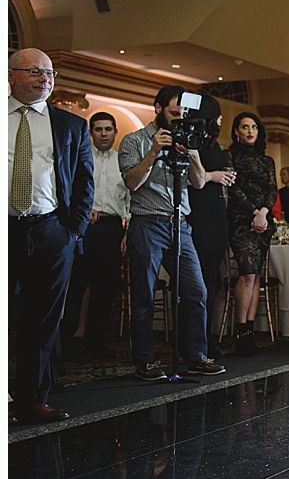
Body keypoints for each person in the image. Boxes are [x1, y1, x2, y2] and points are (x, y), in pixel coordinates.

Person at [9, 49, 94, 423]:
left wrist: (72, 231)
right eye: (35, 71)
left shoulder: (71, 125)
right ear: (11, 75)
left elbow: (83, 183)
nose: (45, 78)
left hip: (50, 231)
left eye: (50, 73)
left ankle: (32, 399)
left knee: (42, 321)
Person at [119, 85, 225, 380]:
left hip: (180, 223)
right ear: (158, 108)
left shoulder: (185, 139)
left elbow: (200, 182)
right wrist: (154, 150)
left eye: (183, 114)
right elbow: (132, 183)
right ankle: (145, 361)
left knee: (196, 291)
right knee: (144, 295)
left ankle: (196, 355)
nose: (179, 119)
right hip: (147, 223)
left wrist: (191, 153)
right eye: (174, 113)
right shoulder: (134, 141)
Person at [63, 112, 128, 359]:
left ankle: (96, 343)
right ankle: (65, 342)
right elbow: (69, 188)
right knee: (74, 285)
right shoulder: (81, 156)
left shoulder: (123, 161)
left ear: (115, 131)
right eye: (98, 129)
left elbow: (130, 199)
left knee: (105, 289)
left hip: (111, 229)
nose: (103, 134)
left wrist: (126, 233)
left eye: (108, 129)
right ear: (91, 132)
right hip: (82, 227)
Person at [185, 94, 235, 359]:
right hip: (202, 214)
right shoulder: (194, 143)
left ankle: (207, 338)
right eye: (217, 115)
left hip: (216, 215)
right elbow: (197, 179)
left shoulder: (212, 143)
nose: (221, 120)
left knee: (213, 280)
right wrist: (216, 175)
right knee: (201, 280)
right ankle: (198, 341)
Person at [226, 112, 277, 356]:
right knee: (246, 275)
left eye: (254, 127)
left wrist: (264, 212)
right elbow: (234, 189)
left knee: (255, 276)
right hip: (240, 220)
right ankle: (240, 333)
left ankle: (250, 332)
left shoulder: (267, 161)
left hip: (264, 222)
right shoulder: (230, 156)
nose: (249, 131)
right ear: (236, 131)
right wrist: (254, 212)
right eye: (244, 127)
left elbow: (272, 189)